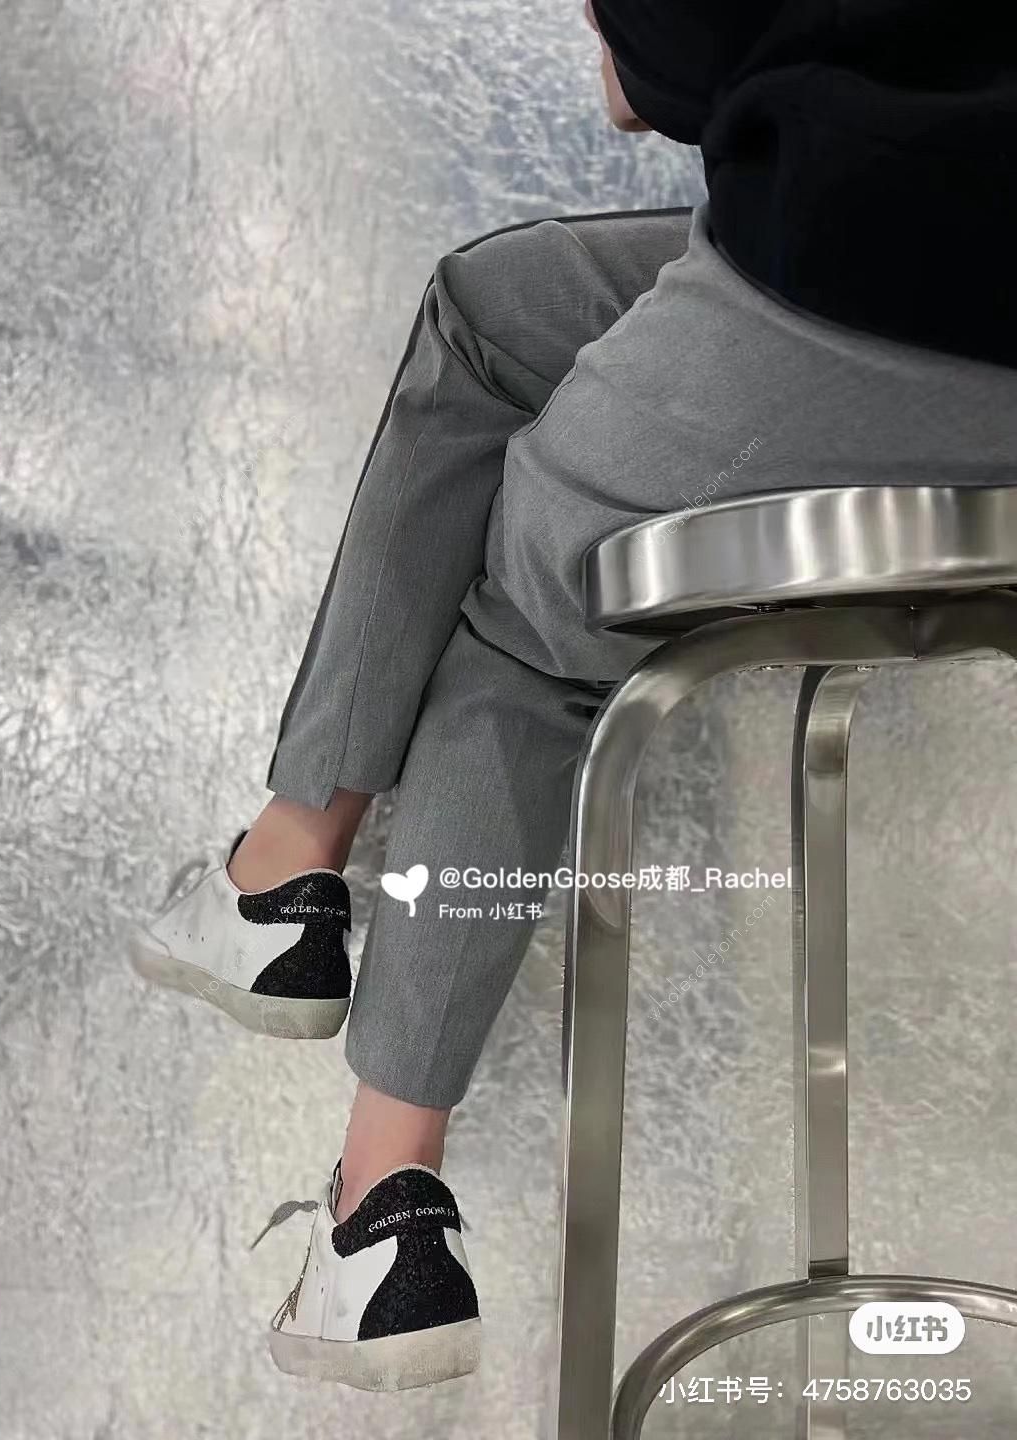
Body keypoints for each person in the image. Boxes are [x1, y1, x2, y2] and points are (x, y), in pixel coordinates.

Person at [129, 0, 1017, 1394]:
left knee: (537, 613)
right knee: (489, 311)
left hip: (877, 285)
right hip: (941, 276)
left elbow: (659, 76)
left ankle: (379, 1210)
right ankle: (285, 866)